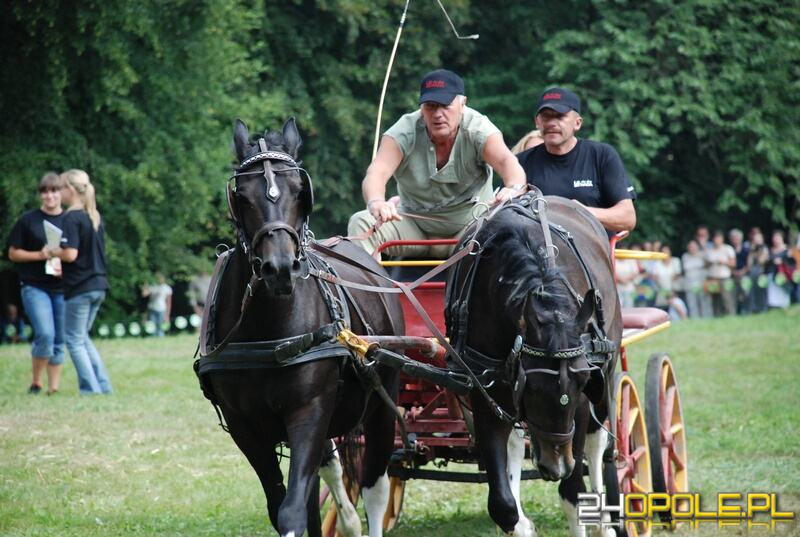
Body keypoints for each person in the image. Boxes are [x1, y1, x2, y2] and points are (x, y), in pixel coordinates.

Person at [347, 69, 527, 258]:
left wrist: (513, 188)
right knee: (361, 222)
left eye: (445, 105)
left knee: (507, 227)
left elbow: (508, 163)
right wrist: (376, 202)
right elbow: (377, 172)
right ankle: (368, 288)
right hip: (413, 227)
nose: (438, 114)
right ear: (422, 108)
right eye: (431, 106)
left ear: (462, 103)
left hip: (470, 229)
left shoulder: (479, 130)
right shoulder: (403, 131)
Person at [517, 87, 636, 232]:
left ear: (577, 123)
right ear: (537, 122)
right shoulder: (521, 162)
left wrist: (580, 212)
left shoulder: (602, 155)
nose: (552, 123)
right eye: (546, 117)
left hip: (592, 251)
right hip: (536, 250)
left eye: (560, 116)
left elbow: (627, 218)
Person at [6, 172, 67, 394]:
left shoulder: (70, 220)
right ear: (40, 195)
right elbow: (13, 253)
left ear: (62, 193)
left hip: (62, 287)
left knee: (60, 338)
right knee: (45, 334)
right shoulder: (28, 221)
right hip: (34, 286)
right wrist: (39, 256)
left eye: (54, 191)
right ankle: (36, 381)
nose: (49, 196)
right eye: (45, 192)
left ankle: (54, 387)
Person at [54, 169, 112, 394]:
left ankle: (90, 390)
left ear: (70, 189)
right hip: (98, 285)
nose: (59, 193)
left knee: (74, 341)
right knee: (82, 338)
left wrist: (52, 251)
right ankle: (104, 387)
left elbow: (70, 254)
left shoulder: (71, 217)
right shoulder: (93, 215)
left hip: (79, 287)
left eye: (60, 188)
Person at [705, 230, 736, 317]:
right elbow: (705, 265)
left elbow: (733, 263)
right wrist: (711, 263)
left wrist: (724, 262)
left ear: (722, 239)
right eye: (715, 238)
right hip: (712, 278)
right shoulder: (709, 251)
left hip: (724, 277)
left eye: (718, 238)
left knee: (726, 298)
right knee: (715, 299)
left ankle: (730, 315)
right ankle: (717, 315)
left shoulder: (728, 249)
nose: (716, 240)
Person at [681, 239, 711, 318]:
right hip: (690, 283)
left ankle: (707, 318)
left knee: (705, 302)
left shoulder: (703, 255)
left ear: (698, 247)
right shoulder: (685, 256)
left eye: (694, 246)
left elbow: (709, 263)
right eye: (690, 247)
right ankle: (694, 319)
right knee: (692, 303)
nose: (692, 248)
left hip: (702, 282)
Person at [765, 230, 793, 309]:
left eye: (777, 237)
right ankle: (774, 307)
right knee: (773, 292)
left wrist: (782, 261)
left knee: (783, 291)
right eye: (774, 238)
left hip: (783, 274)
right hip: (772, 273)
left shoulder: (788, 249)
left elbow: (792, 262)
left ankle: (784, 306)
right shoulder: (770, 250)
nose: (775, 239)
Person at [745, 228, 769, 313]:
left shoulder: (764, 249)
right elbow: (749, 264)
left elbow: (761, 261)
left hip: (761, 273)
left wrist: (759, 249)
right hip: (753, 273)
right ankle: (753, 309)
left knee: (761, 293)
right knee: (752, 292)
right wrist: (752, 251)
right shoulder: (751, 250)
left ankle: (762, 309)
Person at [728, 228, 749, 314]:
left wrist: (742, 272)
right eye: (733, 238)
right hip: (732, 275)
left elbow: (748, 263)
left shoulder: (746, 249)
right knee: (733, 295)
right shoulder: (729, 250)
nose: (735, 240)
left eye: (736, 238)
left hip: (744, 274)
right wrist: (734, 272)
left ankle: (746, 310)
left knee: (745, 293)